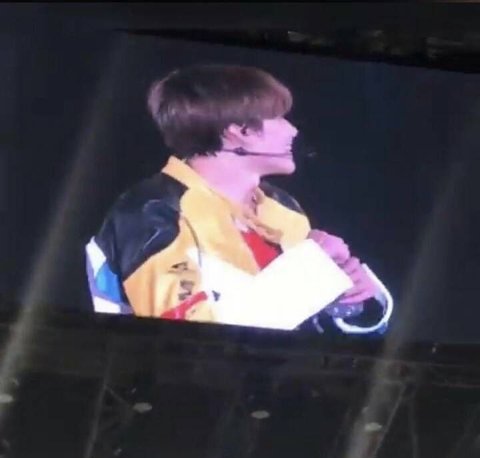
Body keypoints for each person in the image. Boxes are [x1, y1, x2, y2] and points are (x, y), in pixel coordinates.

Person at [86, 64, 391, 334]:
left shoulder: (282, 207)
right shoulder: (152, 213)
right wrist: (313, 266)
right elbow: (186, 338)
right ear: (237, 131)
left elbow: (308, 327)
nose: (293, 130)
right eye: (278, 117)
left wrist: (355, 304)